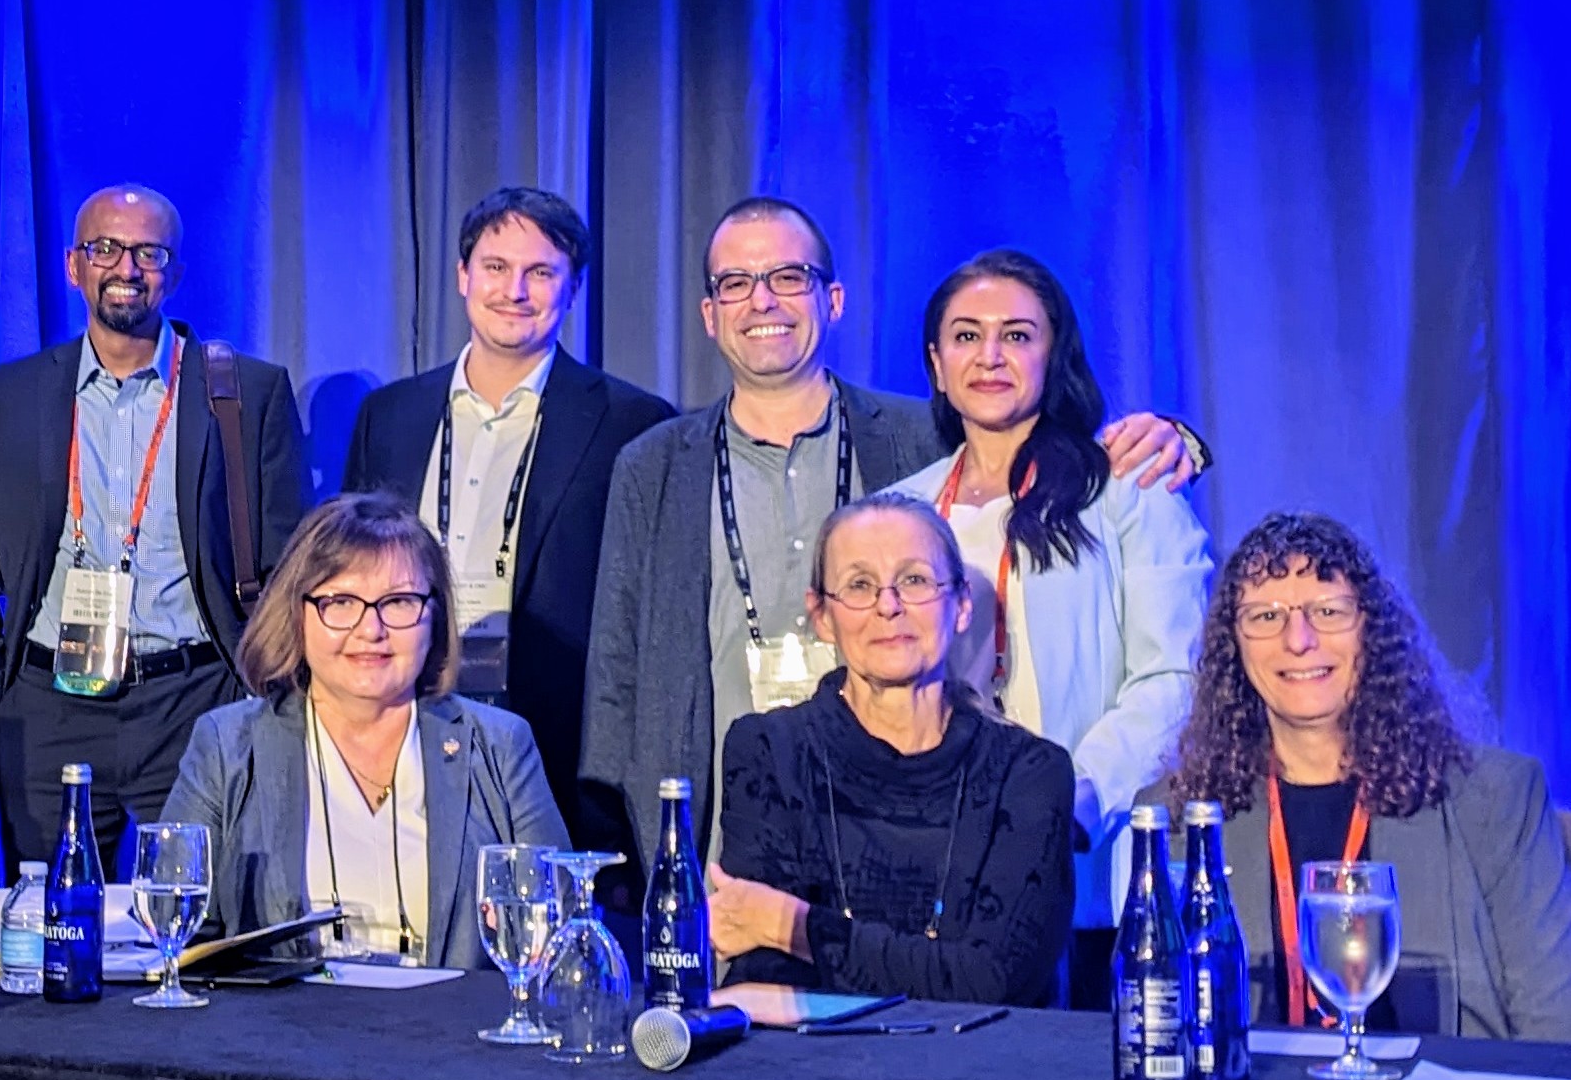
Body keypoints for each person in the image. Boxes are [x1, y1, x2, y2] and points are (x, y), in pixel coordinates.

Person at [580, 196, 1200, 896]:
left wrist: (1175, 439)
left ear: (833, 298)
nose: (763, 301)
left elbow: (1171, 671)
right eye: (736, 283)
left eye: (788, 277)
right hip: (791, 833)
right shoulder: (660, 463)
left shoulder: (914, 445)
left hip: (1043, 842)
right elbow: (616, 674)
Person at [0, 184, 304, 875]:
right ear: (73, 266)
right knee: (60, 937)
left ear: (176, 271)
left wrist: (259, 692)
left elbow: (290, 561)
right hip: (49, 708)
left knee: (202, 929)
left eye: (147, 250)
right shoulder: (9, 396)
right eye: (104, 247)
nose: (126, 267)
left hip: (195, 699)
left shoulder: (244, 392)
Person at [887, 249, 1211, 936]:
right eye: (967, 335)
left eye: (1018, 335)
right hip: (931, 864)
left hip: (1082, 864)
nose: (991, 355)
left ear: (1053, 354)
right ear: (937, 365)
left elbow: (1174, 677)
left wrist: (1064, 801)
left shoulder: (1127, 490)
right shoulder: (898, 512)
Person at [1151, 512, 1571, 1039]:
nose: (1298, 640)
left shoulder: (1496, 800)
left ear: (1372, 628)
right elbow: (1157, 1025)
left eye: (1328, 611)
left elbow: (1554, 1033)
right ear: (1233, 644)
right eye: (1264, 617)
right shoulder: (1177, 815)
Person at [343, 187, 674, 825]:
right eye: (495, 268)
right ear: (464, 276)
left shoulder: (632, 422)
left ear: (573, 289)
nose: (513, 290)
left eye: (540, 272)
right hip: (404, 717)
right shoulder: (390, 415)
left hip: (557, 738)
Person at [161, 492, 570, 969]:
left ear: (434, 615)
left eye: (398, 602)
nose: (371, 629)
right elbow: (177, 938)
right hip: (280, 1036)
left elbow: (556, 934)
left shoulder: (500, 745)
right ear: (298, 614)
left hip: (447, 1035)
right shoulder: (227, 746)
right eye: (341, 602)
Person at [708, 494, 1075, 1005]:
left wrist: (791, 924)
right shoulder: (769, 752)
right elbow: (765, 978)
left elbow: (995, 980)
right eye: (859, 585)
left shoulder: (1031, 774)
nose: (888, 606)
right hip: (811, 1073)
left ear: (963, 604)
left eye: (915, 580)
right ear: (822, 616)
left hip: (974, 1075)